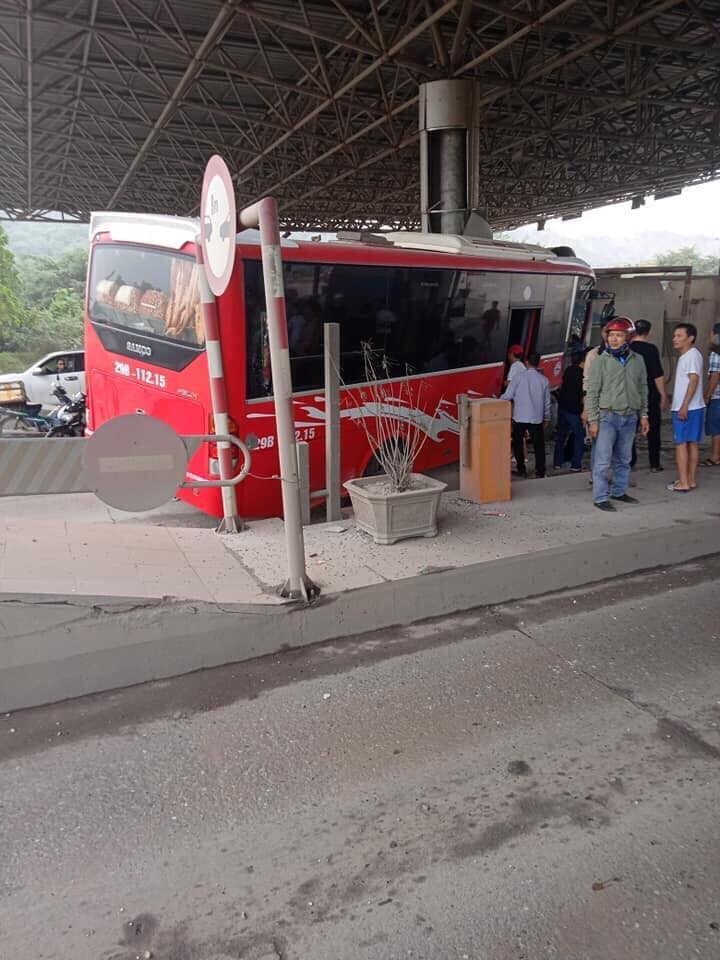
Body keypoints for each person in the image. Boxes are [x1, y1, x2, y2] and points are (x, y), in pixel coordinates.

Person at [585, 316, 649, 511]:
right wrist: (593, 420)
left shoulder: (638, 361)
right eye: (611, 335)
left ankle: (619, 491)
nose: (614, 339)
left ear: (627, 338)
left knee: (623, 458)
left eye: (619, 335)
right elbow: (592, 392)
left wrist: (644, 415)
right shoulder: (600, 361)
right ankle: (600, 497)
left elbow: (643, 388)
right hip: (607, 417)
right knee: (602, 460)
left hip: (630, 416)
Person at [668, 322, 705, 493]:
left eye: (679, 336)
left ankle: (683, 482)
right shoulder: (693, 355)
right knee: (692, 444)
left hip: (686, 408)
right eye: (675, 335)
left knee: (681, 444)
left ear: (690, 338)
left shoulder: (690, 356)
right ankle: (690, 479)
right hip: (694, 407)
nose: (675, 339)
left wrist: (684, 405)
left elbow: (694, 380)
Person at [502, 351, 551, 479]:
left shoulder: (518, 378)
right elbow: (547, 402)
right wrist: (546, 417)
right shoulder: (544, 380)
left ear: (527, 362)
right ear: (538, 363)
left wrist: (496, 399)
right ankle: (540, 471)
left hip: (520, 417)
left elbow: (508, 396)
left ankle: (521, 469)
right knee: (538, 446)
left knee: (518, 444)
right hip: (536, 418)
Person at [630, 319, 669, 471]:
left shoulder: (627, 348)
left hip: (631, 394)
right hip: (650, 394)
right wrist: (663, 395)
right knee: (654, 430)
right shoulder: (651, 349)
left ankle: (630, 461)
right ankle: (654, 463)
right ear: (649, 332)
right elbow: (657, 374)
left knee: (629, 430)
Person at [553, 347, 586, 471]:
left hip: (563, 407)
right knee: (579, 436)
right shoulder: (584, 375)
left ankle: (557, 462)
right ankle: (576, 464)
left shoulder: (568, 370)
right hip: (575, 410)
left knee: (561, 436)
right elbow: (583, 394)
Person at [704, 322, 720, 467]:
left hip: (718, 397)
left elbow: (715, 376)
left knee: (716, 428)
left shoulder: (716, 353)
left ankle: (715, 456)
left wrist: (707, 395)